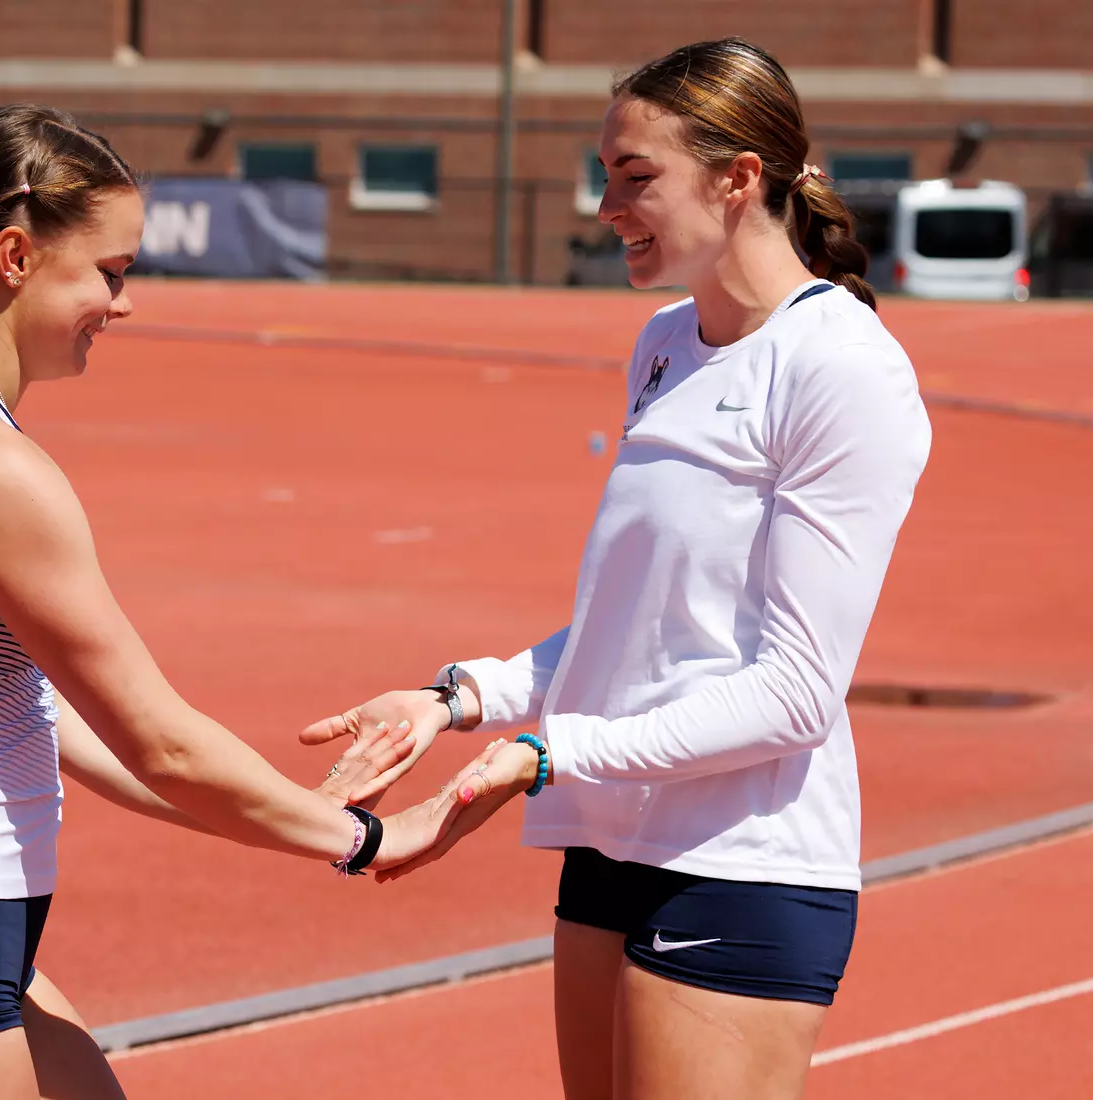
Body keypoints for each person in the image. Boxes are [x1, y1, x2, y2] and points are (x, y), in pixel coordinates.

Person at [0, 103, 482, 1100]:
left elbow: (42, 716)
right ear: (17, 256)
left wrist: (294, 810)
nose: (124, 302)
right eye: (110, 271)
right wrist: (370, 839)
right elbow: (162, 743)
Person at [303, 38, 933, 1100]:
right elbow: (641, 631)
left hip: (742, 862)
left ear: (738, 179)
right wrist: (454, 699)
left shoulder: (840, 365)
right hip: (610, 844)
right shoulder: (662, 343)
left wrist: (546, 754)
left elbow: (796, 693)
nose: (607, 206)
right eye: (607, 175)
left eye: (636, 176)